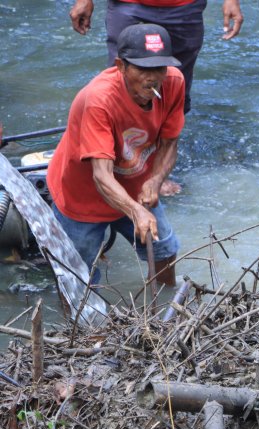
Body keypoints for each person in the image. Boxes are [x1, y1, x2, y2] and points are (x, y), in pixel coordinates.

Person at [47, 23, 184, 286]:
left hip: (134, 185)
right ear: (121, 66)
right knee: (79, 276)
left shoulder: (174, 82)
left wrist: (155, 181)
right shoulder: (99, 100)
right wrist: (135, 212)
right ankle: (84, 327)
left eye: (159, 68)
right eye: (143, 68)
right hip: (82, 194)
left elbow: (169, 143)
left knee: (165, 250)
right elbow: (101, 175)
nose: (153, 77)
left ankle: (168, 311)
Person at [69, 0, 243, 114]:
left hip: (184, 6)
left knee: (175, 85)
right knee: (122, 79)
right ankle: (118, 147)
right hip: (127, 4)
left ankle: (163, 146)